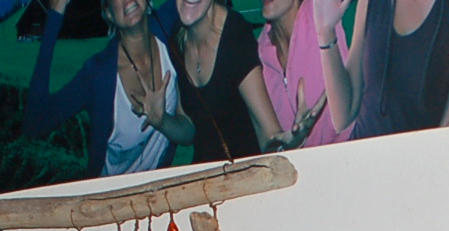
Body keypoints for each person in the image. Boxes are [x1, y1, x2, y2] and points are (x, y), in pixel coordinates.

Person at [23, 0, 194, 180]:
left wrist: (162, 121)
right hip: (111, 193)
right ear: (109, 14)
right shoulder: (97, 75)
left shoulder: (166, 26)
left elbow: (188, 135)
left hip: (157, 189)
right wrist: (55, 14)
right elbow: (34, 123)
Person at [311, 0, 449, 141]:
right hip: (361, 155)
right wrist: (325, 33)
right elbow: (343, 116)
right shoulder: (369, 3)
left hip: (419, 162)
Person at [167, 0, 288, 162]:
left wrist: (291, 145)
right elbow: (189, 129)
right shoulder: (178, 38)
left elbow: (268, 131)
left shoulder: (235, 37)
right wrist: (161, 120)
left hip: (244, 170)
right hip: (206, 172)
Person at [256, 0, 351, 148]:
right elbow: (268, 147)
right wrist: (292, 145)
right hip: (300, 161)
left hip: (357, 151)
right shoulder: (259, 54)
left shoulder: (325, 13)